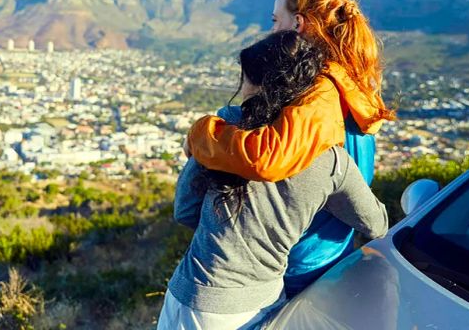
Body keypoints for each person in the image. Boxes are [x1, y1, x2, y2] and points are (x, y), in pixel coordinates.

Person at [157, 31, 388, 330]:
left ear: (261, 87)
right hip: (249, 308)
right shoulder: (332, 162)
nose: (241, 91)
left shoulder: (223, 134)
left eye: (246, 81)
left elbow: (185, 210)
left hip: (184, 292)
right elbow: (376, 224)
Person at [186, 0, 395, 297]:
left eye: (274, 20)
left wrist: (203, 133)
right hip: (333, 257)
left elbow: (266, 158)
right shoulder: (353, 89)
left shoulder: (316, 94)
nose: (271, 31)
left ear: (297, 24)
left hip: (299, 267)